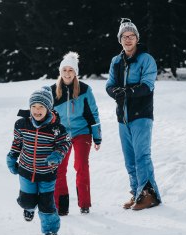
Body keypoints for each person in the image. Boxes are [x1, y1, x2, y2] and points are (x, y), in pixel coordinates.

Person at [105, 18, 162, 210]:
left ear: (137, 38)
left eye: (131, 36)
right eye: (124, 37)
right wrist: (115, 92)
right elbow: (109, 84)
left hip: (141, 115)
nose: (128, 40)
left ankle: (148, 195)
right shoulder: (116, 61)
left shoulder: (147, 59)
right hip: (123, 117)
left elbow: (148, 85)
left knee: (141, 156)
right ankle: (136, 192)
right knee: (129, 158)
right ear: (120, 40)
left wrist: (128, 92)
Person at [6, 86, 71, 235]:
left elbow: (65, 143)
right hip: (26, 170)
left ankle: (50, 230)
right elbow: (17, 143)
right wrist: (11, 156)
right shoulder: (22, 124)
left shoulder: (57, 129)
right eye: (33, 106)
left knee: (46, 204)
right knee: (26, 200)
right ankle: (28, 208)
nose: (37, 110)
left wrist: (57, 154)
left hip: (47, 172)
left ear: (48, 108)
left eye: (41, 106)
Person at [51, 52, 102, 216]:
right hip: (61, 135)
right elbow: (46, 116)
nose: (67, 73)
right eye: (64, 70)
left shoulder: (85, 90)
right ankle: (61, 206)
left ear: (75, 72)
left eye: (70, 70)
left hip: (82, 132)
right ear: (60, 72)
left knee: (81, 165)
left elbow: (93, 113)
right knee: (59, 168)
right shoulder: (52, 91)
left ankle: (84, 204)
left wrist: (97, 135)